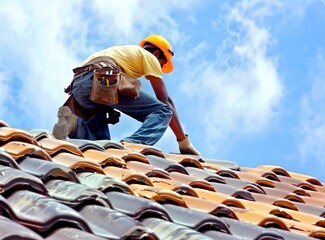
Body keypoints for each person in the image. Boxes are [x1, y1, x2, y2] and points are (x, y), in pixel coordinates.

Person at [53, 34, 200, 155]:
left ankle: (74, 124)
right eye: (161, 64)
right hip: (102, 79)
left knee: (99, 147)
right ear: (156, 54)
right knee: (163, 111)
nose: (159, 68)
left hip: (80, 86)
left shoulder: (121, 53)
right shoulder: (149, 57)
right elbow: (165, 101)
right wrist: (183, 142)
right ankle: (133, 144)